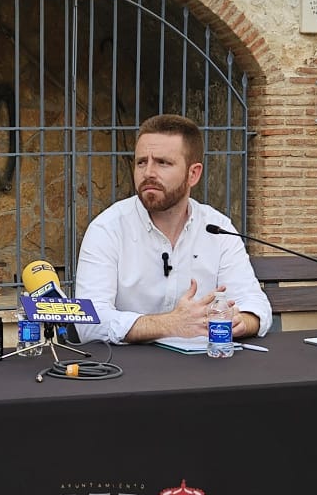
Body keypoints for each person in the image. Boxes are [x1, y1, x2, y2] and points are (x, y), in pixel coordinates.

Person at [73, 113, 271, 345]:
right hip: (128, 370)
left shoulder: (218, 228)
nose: (148, 173)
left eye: (162, 162)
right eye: (141, 162)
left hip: (204, 367)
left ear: (193, 174)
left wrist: (241, 321)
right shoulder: (107, 229)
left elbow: (255, 304)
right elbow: (89, 322)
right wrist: (170, 324)